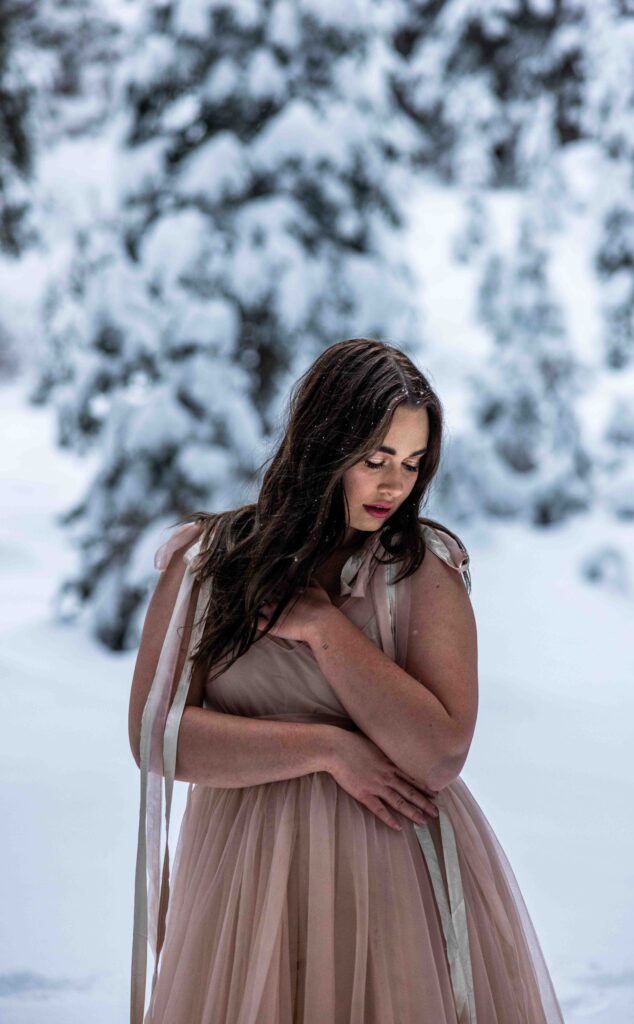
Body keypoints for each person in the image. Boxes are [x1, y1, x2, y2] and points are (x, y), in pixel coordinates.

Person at [128, 337, 565, 1023]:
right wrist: (329, 750)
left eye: (413, 464)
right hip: (243, 885)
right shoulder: (208, 564)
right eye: (375, 460)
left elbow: (439, 753)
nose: (396, 486)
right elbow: (158, 738)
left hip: (390, 879)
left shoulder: (420, 571)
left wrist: (324, 630)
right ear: (321, 448)